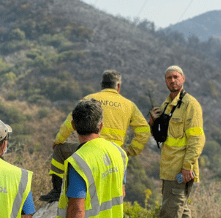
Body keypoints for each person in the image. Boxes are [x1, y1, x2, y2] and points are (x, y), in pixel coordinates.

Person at [40, 70, 150, 202]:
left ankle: (57, 191)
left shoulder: (89, 99)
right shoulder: (129, 105)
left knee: (59, 150)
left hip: (88, 150)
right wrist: (131, 151)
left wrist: (58, 140)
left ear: (102, 84)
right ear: (118, 86)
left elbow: (70, 122)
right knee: (118, 193)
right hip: (115, 155)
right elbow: (144, 130)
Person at [149, 66, 205, 218]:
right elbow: (160, 137)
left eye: (176, 77)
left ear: (183, 79)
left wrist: (187, 167)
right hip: (168, 169)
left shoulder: (190, 105)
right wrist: (153, 122)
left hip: (180, 171)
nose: (172, 80)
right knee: (182, 211)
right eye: (169, 78)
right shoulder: (166, 105)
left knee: (170, 213)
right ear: (165, 81)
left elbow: (197, 139)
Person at [56, 99, 127, 217]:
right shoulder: (119, 152)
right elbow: (122, 192)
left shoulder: (79, 162)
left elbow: (77, 210)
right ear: (101, 126)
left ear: (73, 125)